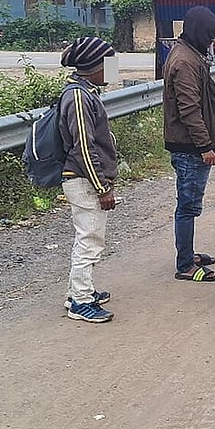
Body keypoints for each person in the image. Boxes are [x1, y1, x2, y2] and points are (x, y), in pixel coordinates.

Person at [58, 37, 118, 323]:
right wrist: (102, 187)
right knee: (90, 241)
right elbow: (84, 146)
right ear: (94, 66)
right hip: (83, 180)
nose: (113, 69)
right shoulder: (79, 97)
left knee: (87, 238)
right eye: (109, 64)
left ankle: (78, 292)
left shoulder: (84, 92)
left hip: (83, 179)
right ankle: (80, 303)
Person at [162, 5, 215, 283]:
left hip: (189, 145)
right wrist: (205, 147)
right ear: (200, 32)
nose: (211, 41)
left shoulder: (189, 54)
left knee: (189, 205)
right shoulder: (186, 62)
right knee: (187, 207)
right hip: (189, 148)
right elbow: (189, 110)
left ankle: (188, 253)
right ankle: (185, 265)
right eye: (209, 36)